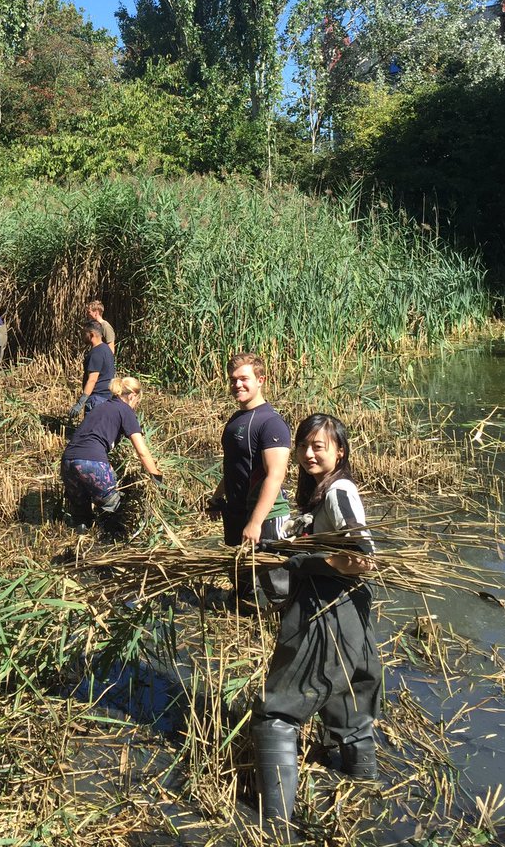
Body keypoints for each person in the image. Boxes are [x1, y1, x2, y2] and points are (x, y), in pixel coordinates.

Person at [251, 413, 380, 829]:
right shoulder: (318, 496)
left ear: (339, 451)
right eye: (304, 445)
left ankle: (273, 826)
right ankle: (365, 796)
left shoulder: (340, 489)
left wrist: (310, 561)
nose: (308, 453)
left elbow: (362, 559)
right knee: (348, 707)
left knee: (279, 712)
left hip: (328, 610)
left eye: (318, 446)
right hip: (352, 616)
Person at [208, 353, 291, 549]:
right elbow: (235, 465)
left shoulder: (271, 423)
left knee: (268, 578)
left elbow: (275, 475)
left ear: (260, 380)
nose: (237, 385)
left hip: (265, 518)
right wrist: (217, 497)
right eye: (233, 380)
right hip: (236, 513)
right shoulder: (236, 418)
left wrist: (255, 523)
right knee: (240, 577)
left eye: (244, 379)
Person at [60, 376, 163, 532]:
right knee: (114, 507)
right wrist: (155, 476)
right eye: (137, 401)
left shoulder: (100, 407)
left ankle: (80, 546)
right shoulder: (125, 410)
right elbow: (142, 451)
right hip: (92, 463)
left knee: (82, 515)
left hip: (68, 462)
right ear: (132, 395)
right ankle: (112, 545)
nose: (135, 405)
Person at [68, 319, 115, 420]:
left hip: (96, 399)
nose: (82, 336)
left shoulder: (96, 353)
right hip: (107, 397)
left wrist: (80, 403)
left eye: (84, 333)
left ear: (92, 334)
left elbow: (92, 379)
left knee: (91, 432)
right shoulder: (107, 350)